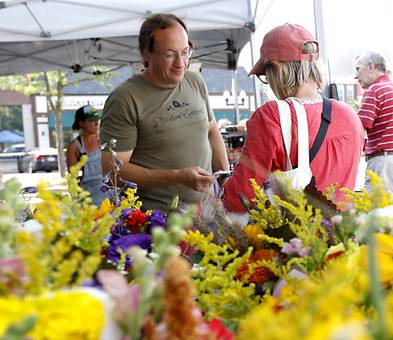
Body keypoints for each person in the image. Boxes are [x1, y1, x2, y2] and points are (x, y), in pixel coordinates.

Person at [223, 23, 364, 212]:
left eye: (266, 76)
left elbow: (241, 197)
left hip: (296, 238)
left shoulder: (272, 116)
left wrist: (222, 186)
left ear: (276, 68)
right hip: (345, 235)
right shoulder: (349, 115)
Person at [100, 13, 228, 213]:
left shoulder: (195, 81)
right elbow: (112, 172)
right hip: (156, 221)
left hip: (207, 214)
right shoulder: (125, 99)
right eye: (170, 54)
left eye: (185, 52)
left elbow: (212, 131)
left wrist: (224, 179)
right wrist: (178, 177)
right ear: (146, 54)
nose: (181, 63)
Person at [354, 51, 393, 195]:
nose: (356, 75)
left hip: (382, 162)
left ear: (371, 66)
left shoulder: (374, 90)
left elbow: (358, 127)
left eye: (358, 69)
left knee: (375, 213)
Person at [66, 104, 109, 206]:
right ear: (81, 123)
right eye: (91, 120)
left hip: (109, 191)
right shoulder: (75, 146)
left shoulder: (105, 140)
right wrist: (75, 201)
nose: (96, 123)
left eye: (97, 119)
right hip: (88, 197)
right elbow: (72, 177)